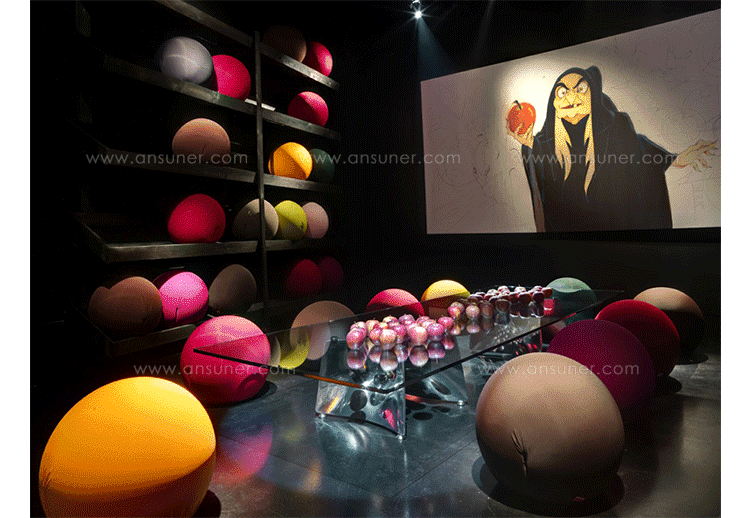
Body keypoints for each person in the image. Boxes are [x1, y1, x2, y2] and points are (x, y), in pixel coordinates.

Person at [507, 65, 716, 232]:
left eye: (580, 89)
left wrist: (674, 159)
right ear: (553, 103)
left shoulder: (616, 127)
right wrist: (528, 143)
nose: (571, 97)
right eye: (562, 92)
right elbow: (546, 170)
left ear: (592, 96)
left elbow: (638, 151)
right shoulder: (546, 142)